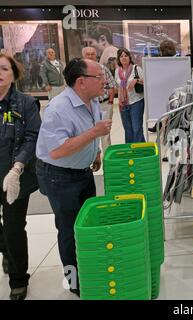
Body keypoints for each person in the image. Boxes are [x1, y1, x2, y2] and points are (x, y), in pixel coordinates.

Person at [36, 58, 111, 297]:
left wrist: (96, 150)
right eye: (99, 76)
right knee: (68, 230)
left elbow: (92, 127)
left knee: (87, 225)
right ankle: (74, 281)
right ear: (81, 82)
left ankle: (88, 268)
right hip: (59, 177)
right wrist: (94, 134)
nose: (104, 80)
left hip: (82, 172)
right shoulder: (58, 109)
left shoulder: (91, 100)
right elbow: (57, 150)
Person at [0, 53, 41, 300]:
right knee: (7, 234)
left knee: (14, 227)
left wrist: (17, 168)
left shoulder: (25, 103)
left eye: (4, 68)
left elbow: (33, 136)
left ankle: (18, 280)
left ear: (14, 74)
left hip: (16, 176)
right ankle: (6, 249)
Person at [82, 47, 117, 154]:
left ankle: (107, 155)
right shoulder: (80, 71)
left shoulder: (103, 69)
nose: (91, 56)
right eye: (88, 54)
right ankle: (92, 154)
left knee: (105, 132)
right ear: (83, 55)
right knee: (88, 131)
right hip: (87, 106)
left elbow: (112, 86)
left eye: (92, 54)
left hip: (104, 104)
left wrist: (110, 103)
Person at [115, 48, 145, 143]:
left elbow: (146, 82)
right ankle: (130, 149)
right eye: (121, 56)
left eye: (126, 56)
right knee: (128, 129)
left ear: (129, 57)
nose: (124, 58)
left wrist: (136, 80)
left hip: (136, 101)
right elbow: (119, 85)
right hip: (123, 103)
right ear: (119, 59)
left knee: (136, 128)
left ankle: (140, 150)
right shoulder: (117, 71)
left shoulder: (136, 68)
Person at [147, 40, 177, 134]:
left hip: (166, 93)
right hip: (171, 94)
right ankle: (160, 126)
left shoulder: (157, 63)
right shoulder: (179, 62)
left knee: (163, 111)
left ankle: (160, 127)